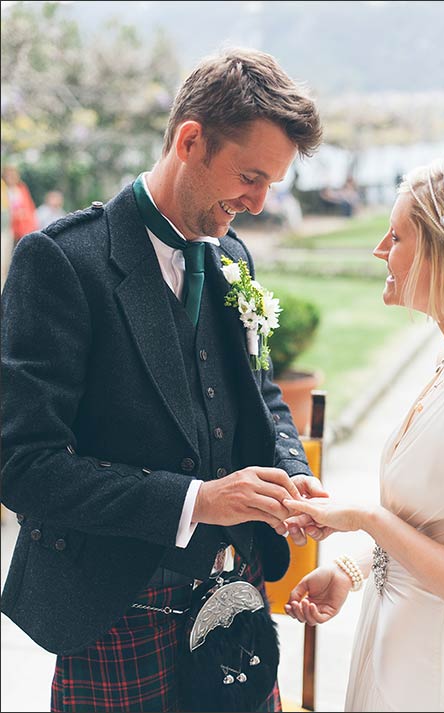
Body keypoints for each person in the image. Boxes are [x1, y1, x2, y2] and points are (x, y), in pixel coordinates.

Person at [1, 48, 325, 713]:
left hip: (238, 599)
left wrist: (287, 469)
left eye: (272, 184)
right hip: (118, 609)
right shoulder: (62, 261)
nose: (260, 203)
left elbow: (260, 396)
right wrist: (195, 500)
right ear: (189, 140)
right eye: (250, 176)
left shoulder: (232, 254)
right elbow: (23, 465)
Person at [283, 157, 444, 712]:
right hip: (394, 652)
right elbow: (436, 528)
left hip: (440, 675)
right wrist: (353, 566)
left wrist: (365, 517)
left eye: (398, 235)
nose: (379, 249)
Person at [1, 164, 38, 244]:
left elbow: (29, 206)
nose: (12, 177)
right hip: (9, 226)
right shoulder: (3, 189)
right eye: (9, 175)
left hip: (24, 225)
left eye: (14, 174)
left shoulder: (22, 188)